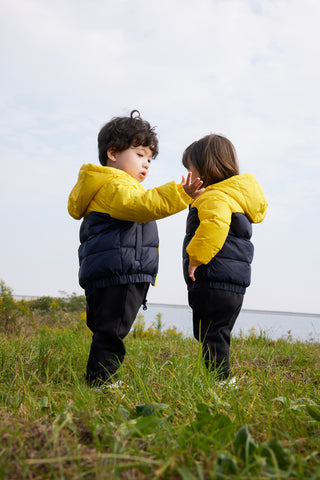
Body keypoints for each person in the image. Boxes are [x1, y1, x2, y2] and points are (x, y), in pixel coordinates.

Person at [68, 110, 204, 387]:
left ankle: (99, 376)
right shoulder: (116, 186)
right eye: (140, 154)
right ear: (113, 153)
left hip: (109, 270)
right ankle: (101, 382)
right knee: (112, 331)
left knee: (107, 328)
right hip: (121, 269)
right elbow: (141, 208)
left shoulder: (110, 187)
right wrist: (180, 193)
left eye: (150, 159)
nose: (146, 164)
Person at [182, 134, 268, 382]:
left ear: (205, 168)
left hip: (212, 277)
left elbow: (215, 226)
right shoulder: (235, 199)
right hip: (233, 282)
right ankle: (218, 379)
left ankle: (219, 382)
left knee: (209, 333)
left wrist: (195, 257)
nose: (189, 175)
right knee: (218, 332)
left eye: (190, 168)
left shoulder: (214, 196)